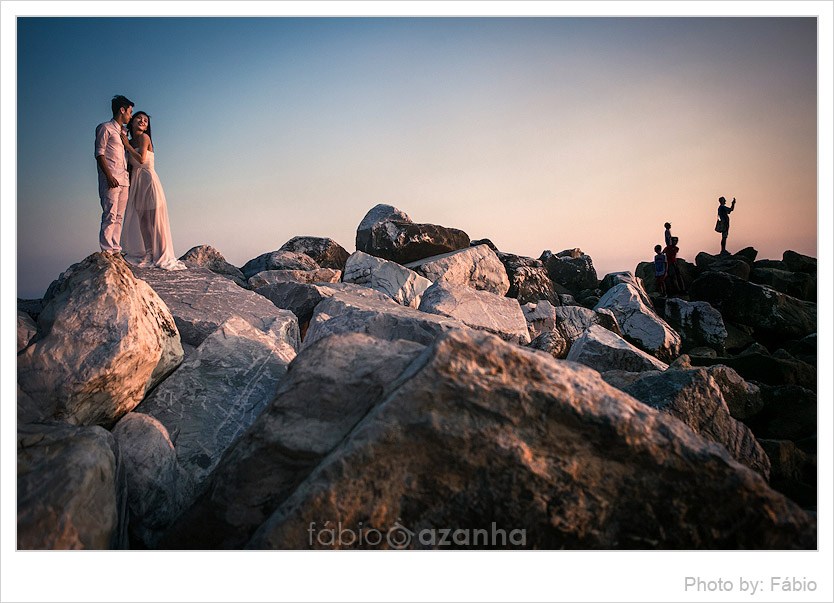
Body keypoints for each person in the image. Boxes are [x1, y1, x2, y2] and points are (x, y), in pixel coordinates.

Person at [120, 111, 186, 270]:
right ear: (132, 121)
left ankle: (162, 254)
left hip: (148, 180)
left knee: (155, 220)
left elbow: (141, 159)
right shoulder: (129, 140)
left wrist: (127, 145)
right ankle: (149, 252)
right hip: (137, 182)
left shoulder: (144, 138)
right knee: (143, 220)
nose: (142, 121)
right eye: (139, 118)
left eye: (145, 121)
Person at [95, 95, 133, 255]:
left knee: (119, 216)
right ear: (122, 110)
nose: (130, 116)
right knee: (109, 214)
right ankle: (106, 251)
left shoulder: (123, 133)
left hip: (124, 179)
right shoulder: (105, 128)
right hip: (111, 178)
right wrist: (109, 176)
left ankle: (116, 249)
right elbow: (99, 153)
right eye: (130, 112)